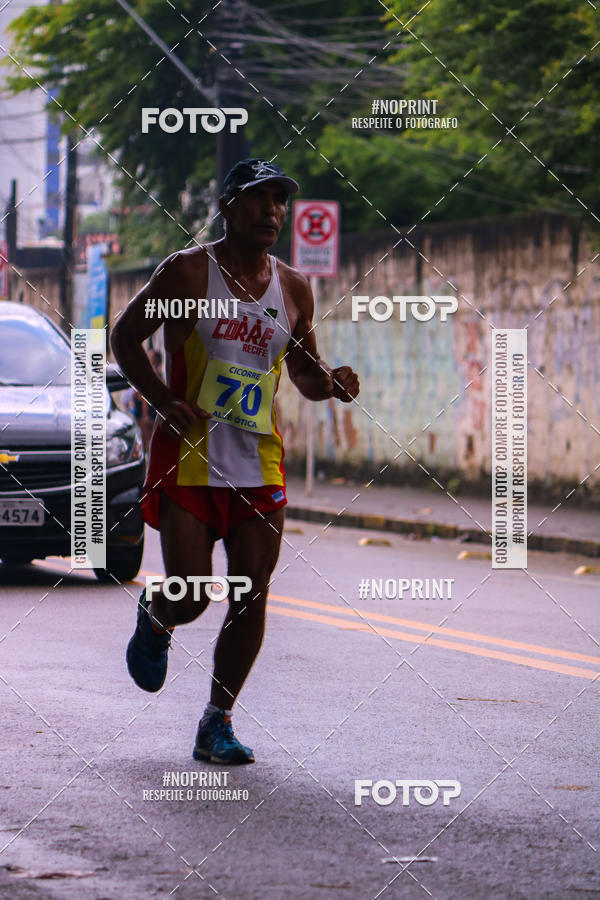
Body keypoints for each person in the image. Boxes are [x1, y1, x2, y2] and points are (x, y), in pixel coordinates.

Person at [110, 158, 359, 764]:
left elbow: (303, 372)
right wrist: (162, 398)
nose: (273, 210)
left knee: (251, 595)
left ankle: (216, 721)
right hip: (190, 459)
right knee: (193, 595)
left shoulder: (293, 288)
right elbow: (124, 337)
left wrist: (330, 382)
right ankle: (159, 615)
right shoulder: (188, 273)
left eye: (280, 200)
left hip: (258, 463)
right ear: (228, 206)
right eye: (259, 198)